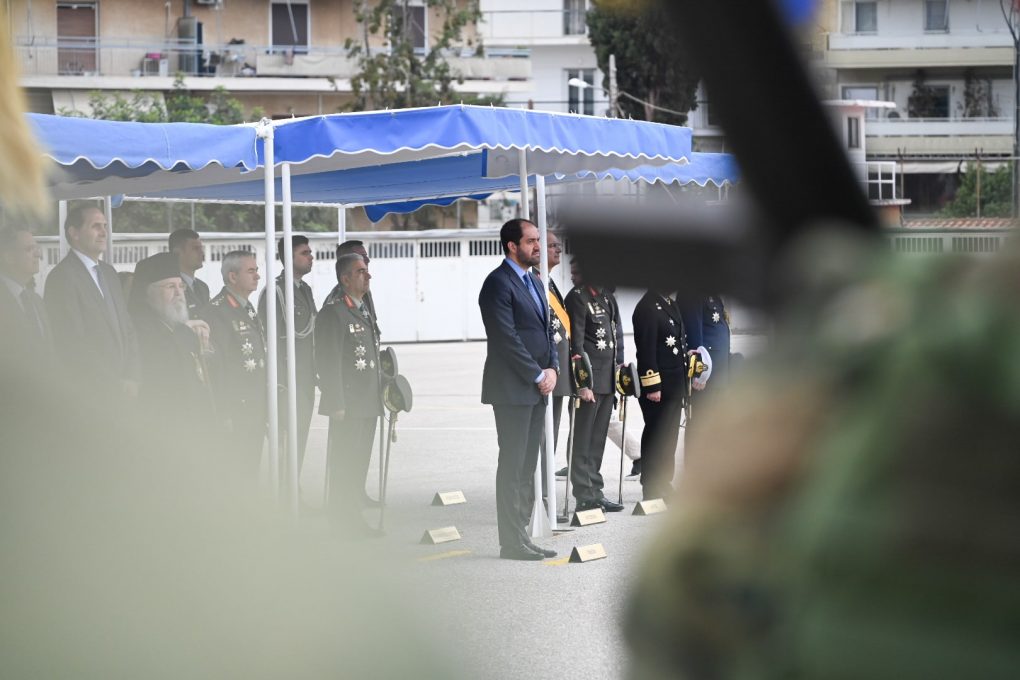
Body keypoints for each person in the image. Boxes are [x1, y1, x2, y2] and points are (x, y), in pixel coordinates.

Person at [478, 218, 559, 561]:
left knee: (528, 466)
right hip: (513, 389)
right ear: (512, 246)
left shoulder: (535, 280)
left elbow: (548, 328)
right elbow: (506, 338)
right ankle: (510, 542)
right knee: (512, 465)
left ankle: (521, 535)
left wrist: (553, 368)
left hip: (537, 387)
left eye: (538, 240)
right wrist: (537, 375)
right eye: (531, 241)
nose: (538, 246)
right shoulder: (498, 283)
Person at [315, 253, 384, 538]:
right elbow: (328, 360)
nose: (368, 276)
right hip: (349, 403)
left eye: (366, 271)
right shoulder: (334, 312)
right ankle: (343, 521)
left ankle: (352, 517)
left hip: (368, 400)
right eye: (360, 272)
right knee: (344, 464)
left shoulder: (362, 309)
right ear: (345, 279)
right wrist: (335, 402)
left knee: (357, 464)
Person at [44, 204, 139, 398]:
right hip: (91, 391)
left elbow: (126, 326)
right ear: (74, 233)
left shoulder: (109, 273)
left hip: (124, 389)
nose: (104, 232)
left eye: (105, 226)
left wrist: (132, 375)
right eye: (96, 226)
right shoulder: (62, 277)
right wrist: (112, 383)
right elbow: (71, 341)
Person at [128, 252, 215, 437]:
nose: (179, 293)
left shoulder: (177, 325)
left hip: (193, 426)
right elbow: (160, 360)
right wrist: (185, 331)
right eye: (170, 286)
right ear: (147, 293)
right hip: (161, 428)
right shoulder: (138, 328)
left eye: (181, 286)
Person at [564, 260, 625, 513]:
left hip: (607, 380)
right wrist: (582, 383)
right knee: (582, 439)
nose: (573, 276)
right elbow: (576, 345)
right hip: (589, 383)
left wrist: (619, 371)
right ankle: (584, 495)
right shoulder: (577, 298)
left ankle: (596, 491)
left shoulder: (607, 296)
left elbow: (617, 335)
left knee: (597, 440)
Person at [203, 250, 267, 476]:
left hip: (255, 405)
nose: (257, 276)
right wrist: (224, 412)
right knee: (234, 473)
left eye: (256, 270)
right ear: (232, 276)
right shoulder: (216, 311)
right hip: (236, 408)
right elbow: (216, 367)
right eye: (251, 271)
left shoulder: (247, 307)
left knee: (250, 469)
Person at [258, 235, 317, 481]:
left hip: (305, 377)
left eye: (310, 252)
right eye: (305, 253)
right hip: (286, 378)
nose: (311, 257)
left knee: (299, 436)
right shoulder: (275, 292)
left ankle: (294, 488)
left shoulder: (304, 290)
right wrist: (278, 382)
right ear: (289, 258)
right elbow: (268, 340)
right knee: (285, 438)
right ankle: (284, 493)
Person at [632, 289, 688, 501]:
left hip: (674, 384)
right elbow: (646, 350)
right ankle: (651, 486)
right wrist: (652, 385)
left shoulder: (670, 304)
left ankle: (664, 481)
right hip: (658, 386)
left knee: (669, 438)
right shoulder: (647, 307)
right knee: (656, 437)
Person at [535, 231, 571, 489]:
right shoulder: (535, 281)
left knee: (552, 433)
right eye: (552, 246)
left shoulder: (549, 281)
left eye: (559, 245)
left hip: (558, 370)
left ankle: (545, 487)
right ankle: (538, 489)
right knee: (542, 436)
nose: (558, 250)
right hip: (544, 371)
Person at [0, 226, 50, 363]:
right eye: (29, 249)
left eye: (37, 248)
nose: (38, 255)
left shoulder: (36, 300)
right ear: (9, 257)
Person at [681, 294, 731, 392]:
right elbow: (693, 333)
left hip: (719, 366)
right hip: (706, 371)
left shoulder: (714, 293)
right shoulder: (692, 293)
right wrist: (698, 372)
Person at [169, 229, 210, 320]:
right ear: (177, 253)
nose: (202, 253)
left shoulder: (203, 287)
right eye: (195, 249)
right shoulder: (169, 287)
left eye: (201, 248)